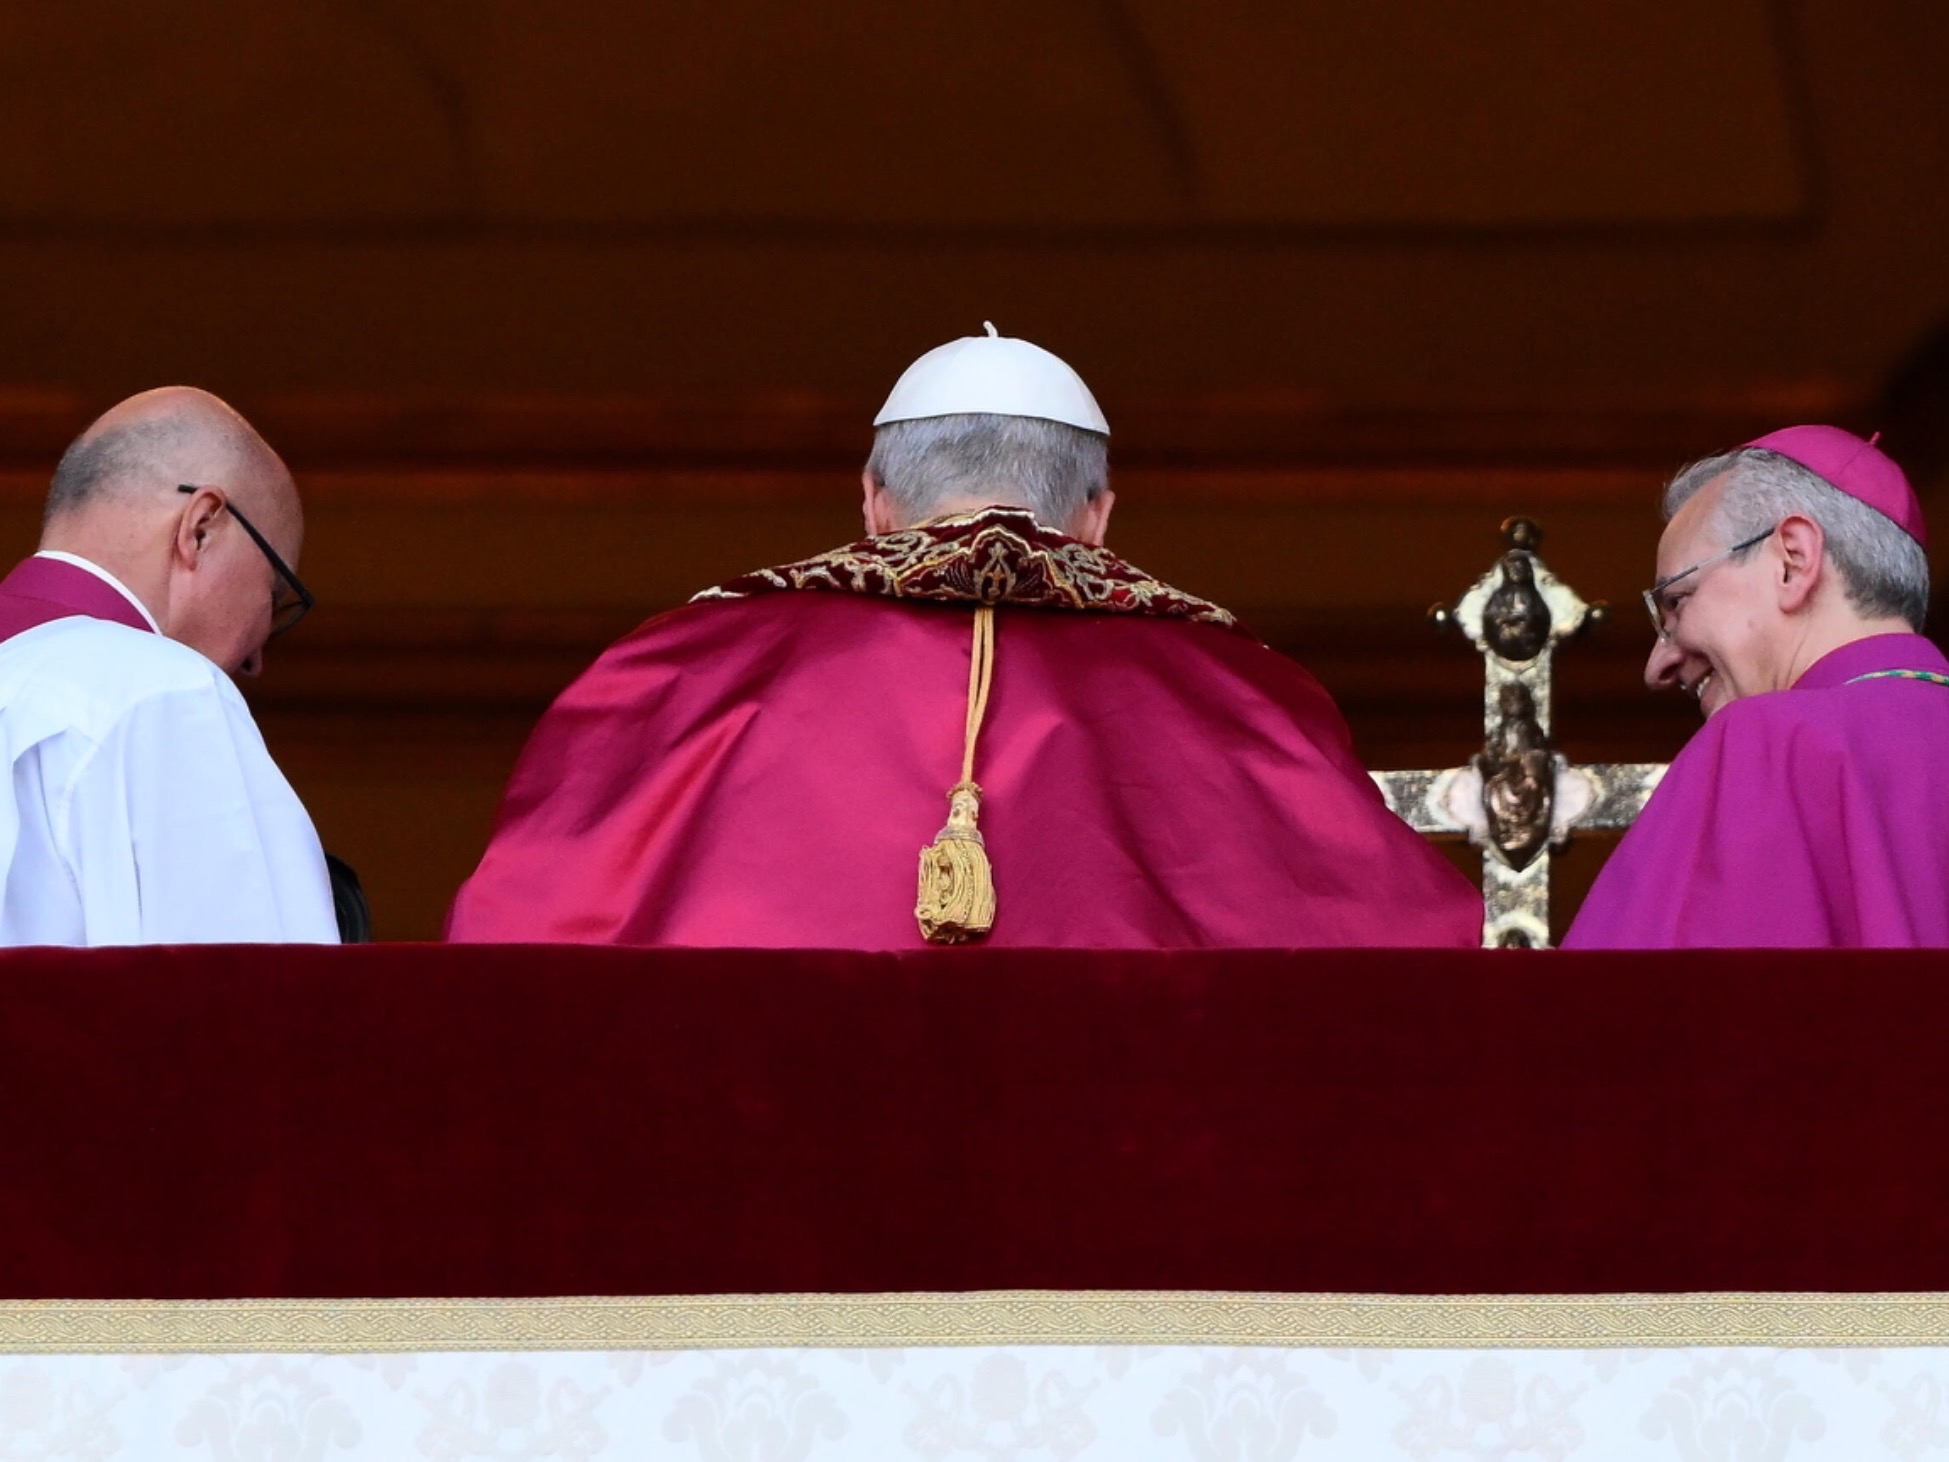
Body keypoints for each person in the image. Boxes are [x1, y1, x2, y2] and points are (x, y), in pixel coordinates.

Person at [448, 326, 1480, 948]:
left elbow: (523, 936)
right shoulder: (1239, 693)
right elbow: (1392, 959)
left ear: (872, 504)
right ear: (1098, 515)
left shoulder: (677, 673)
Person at [1564, 425, 1949, 947]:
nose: (1658, 666)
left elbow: (1624, 1015)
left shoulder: (1767, 744)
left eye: (1677, 601)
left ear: (1793, 559)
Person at [0, 387, 338, 945]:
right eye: (275, 594)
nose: (257, 658)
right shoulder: (164, 693)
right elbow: (263, 1008)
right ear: (201, 527)